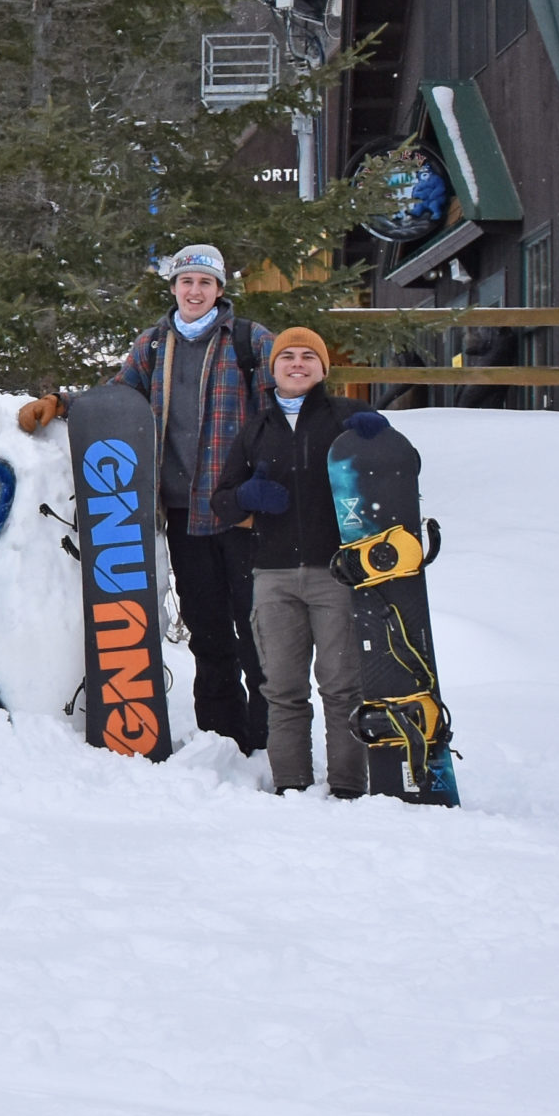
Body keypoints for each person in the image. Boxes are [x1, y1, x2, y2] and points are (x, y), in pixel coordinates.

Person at [19, 243, 275, 754]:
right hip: (183, 514)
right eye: (186, 282)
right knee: (208, 635)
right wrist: (61, 404)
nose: (195, 291)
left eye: (205, 282)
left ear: (220, 290)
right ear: (174, 288)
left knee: (260, 636)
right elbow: (116, 398)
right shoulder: (154, 345)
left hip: (241, 514)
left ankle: (272, 742)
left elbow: (278, 413)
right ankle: (224, 739)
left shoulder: (250, 341)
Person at [217, 327, 367, 797]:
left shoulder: (348, 417)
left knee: (342, 689)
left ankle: (346, 786)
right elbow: (221, 502)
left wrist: (381, 440)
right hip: (274, 576)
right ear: (273, 367)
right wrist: (246, 494)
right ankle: (292, 786)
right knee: (282, 690)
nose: (297, 364)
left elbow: (401, 469)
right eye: (288, 357)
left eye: (308, 357)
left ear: (323, 368)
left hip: (336, 574)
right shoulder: (255, 430)